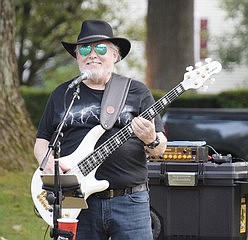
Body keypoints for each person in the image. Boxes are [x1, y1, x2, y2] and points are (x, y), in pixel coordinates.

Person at [34, 19, 167, 240]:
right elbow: (42, 140)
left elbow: (159, 149)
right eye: (85, 48)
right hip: (74, 199)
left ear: (115, 55)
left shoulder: (137, 92)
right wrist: (45, 161)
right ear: (77, 56)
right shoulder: (63, 93)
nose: (92, 54)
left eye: (101, 48)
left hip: (129, 200)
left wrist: (151, 139)